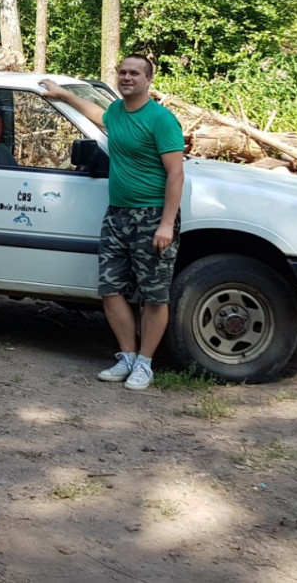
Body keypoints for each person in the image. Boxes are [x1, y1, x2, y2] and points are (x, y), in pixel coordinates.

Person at [39, 55, 185, 391]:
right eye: (122, 72)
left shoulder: (161, 119)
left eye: (134, 73)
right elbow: (98, 115)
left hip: (152, 215)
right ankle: (128, 357)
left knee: (154, 295)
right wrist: (65, 95)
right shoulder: (118, 112)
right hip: (118, 214)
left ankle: (145, 364)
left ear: (148, 80)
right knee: (110, 288)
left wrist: (166, 224)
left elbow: (176, 174)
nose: (127, 77)